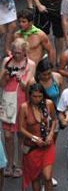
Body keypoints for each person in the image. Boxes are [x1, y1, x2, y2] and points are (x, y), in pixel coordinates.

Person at [0, 38, 36, 179]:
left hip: (21, 100)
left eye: (19, 53)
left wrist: (21, 78)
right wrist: (7, 76)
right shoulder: (6, 62)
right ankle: (9, 163)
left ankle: (20, 165)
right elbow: (1, 83)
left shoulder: (30, 64)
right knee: (7, 136)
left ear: (25, 52)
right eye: (14, 53)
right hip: (8, 99)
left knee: (21, 136)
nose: (16, 55)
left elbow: (28, 86)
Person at [18, 83, 56, 191]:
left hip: (47, 145)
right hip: (32, 148)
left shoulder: (48, 104)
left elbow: (54, 120)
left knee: (47, 177)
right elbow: (20, 128)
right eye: (34, 96)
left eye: (40, 96)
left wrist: (51, 133)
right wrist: (35, 138)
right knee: (35, 178)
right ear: (29, 95)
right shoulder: (24, 107)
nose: (37, 99)